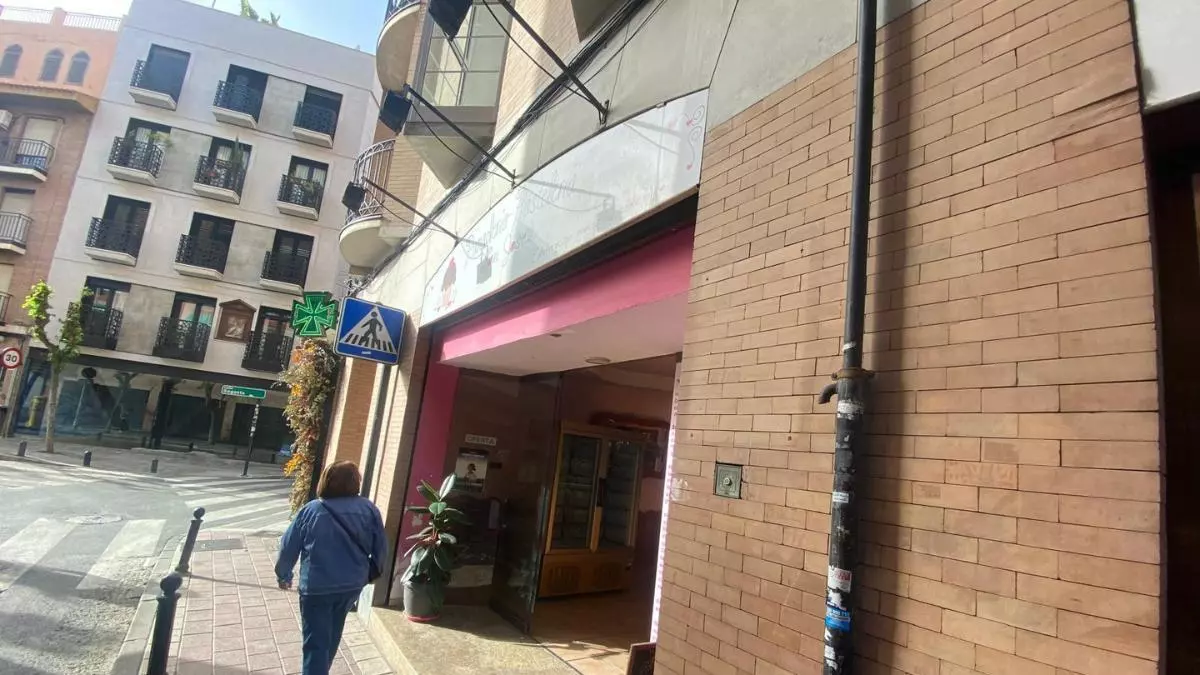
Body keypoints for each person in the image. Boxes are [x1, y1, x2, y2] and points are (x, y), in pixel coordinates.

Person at [275, 461, 387, 675]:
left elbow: (288, 547)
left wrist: (284, 575)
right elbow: (381, 547)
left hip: (317, 587)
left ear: (326, 480)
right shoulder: (369, 509)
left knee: (316, 643)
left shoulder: (311, 510)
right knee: (333, 634)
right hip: (351, 585)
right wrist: (371, 573)